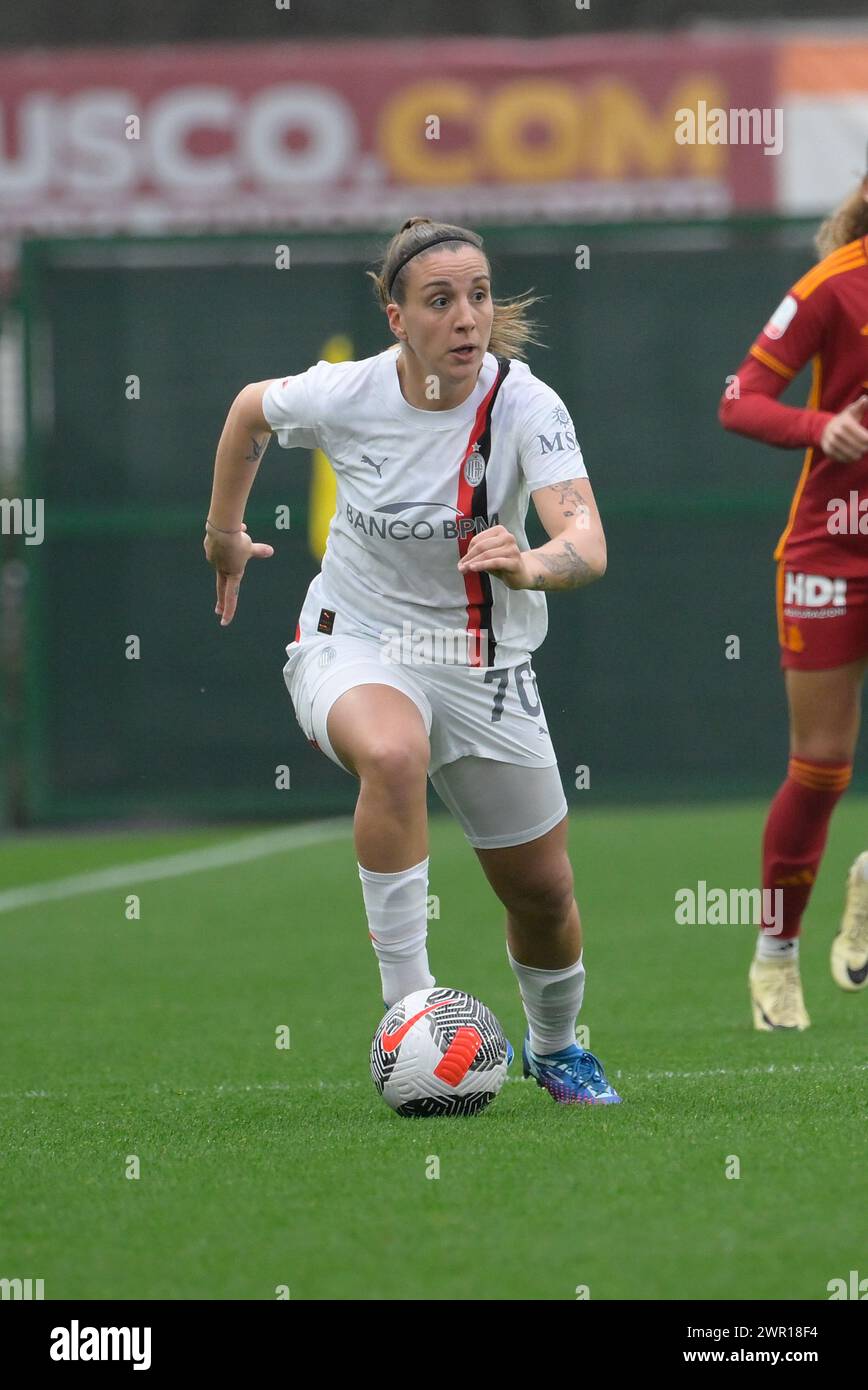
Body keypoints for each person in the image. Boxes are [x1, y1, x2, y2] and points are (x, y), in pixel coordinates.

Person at [204, 215, 620, 1103]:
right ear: (397, 317)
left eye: (479, 295)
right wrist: (223, 535)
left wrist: (531, 562)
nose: (467, 317)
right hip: (354, 638)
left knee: (543, 894)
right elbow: (250, 410)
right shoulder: (348, 393)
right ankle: (412, 1017)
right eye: (441, 301)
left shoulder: (525, 404)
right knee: (393, 754)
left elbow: (586, 542)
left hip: (484, 665)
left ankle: (556, 1048)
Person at [719, 172, 868, 1029]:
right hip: (831, 554)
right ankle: (775, 957)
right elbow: (738, 400)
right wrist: (824, 428)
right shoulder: (831, 286)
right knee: (821, 767)